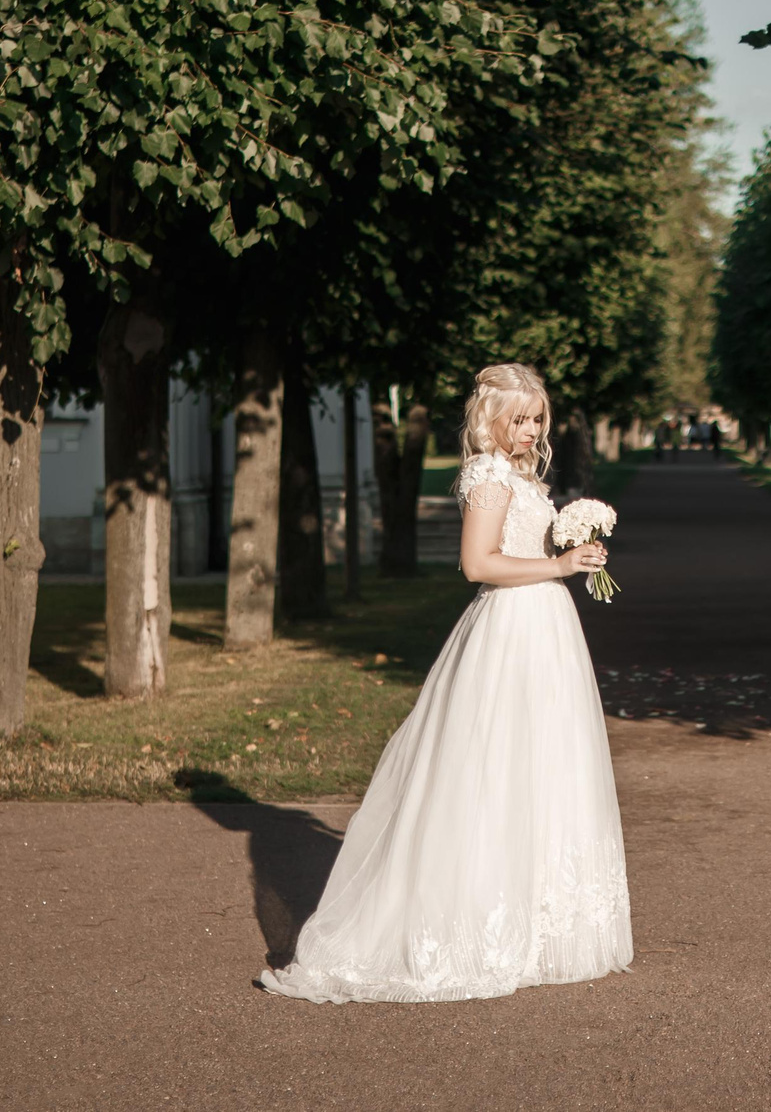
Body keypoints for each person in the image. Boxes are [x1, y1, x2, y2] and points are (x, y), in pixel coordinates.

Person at [258, 362, 631, 1003]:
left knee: (546, 769)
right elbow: (477, 563)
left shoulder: (521, 475)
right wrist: (559, 562)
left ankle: (544, 930)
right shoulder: (487, 475)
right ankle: (475, 928)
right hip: (510, 632)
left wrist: (576, 557)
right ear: (492, 418)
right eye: (519, 417)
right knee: (490, 773)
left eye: (537, 416)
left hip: (547, 631)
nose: (531, 428)